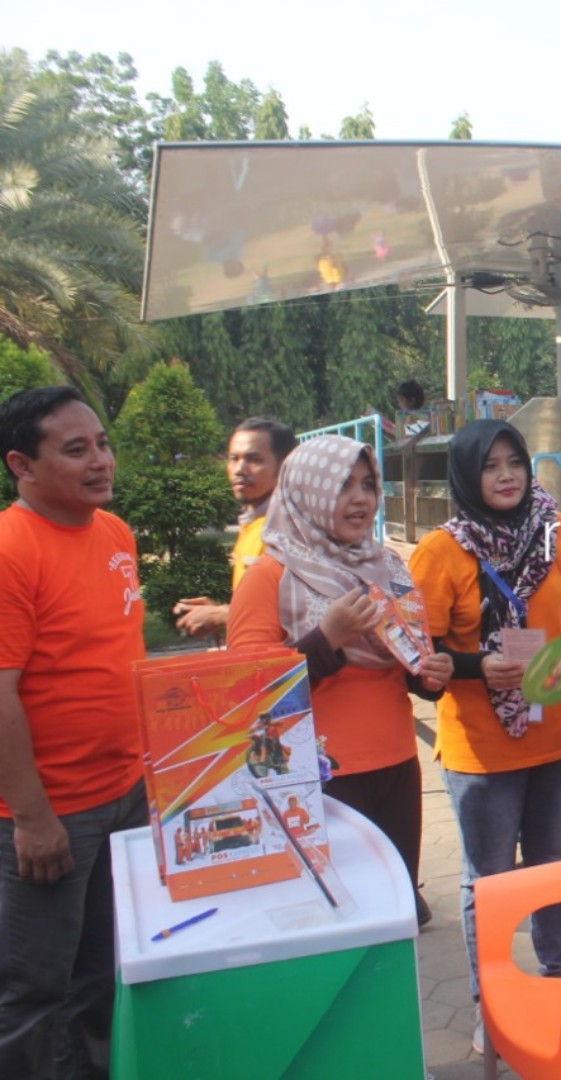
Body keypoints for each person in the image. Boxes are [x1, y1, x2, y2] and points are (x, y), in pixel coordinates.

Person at [407, 420, 561, 1056]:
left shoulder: (560, 533)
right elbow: (422, 655)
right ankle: (492, 1006)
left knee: (552, 871)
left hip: (559, 739)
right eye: (490, 466)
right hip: (482, 750)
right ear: (468, 475)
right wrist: (476, 665)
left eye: (515, 461)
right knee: (487, 883)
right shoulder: (440, 552)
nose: (507, 475)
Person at [227, 435, 453, 928]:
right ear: (307, 491)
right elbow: (247, 696)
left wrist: (431, 678)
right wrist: (327, 638)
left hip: (395, 767)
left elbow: (409, 661)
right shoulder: (269, 578)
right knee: (336, 925)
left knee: (393, 921)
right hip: (316, 780)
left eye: (369, 485)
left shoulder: (388, 568)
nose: (361, 499)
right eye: (342, 485)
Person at [0, 387, 149, 1079]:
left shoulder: (114, 533)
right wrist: (32, 818)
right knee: (33, 994)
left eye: (103, 443)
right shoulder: (10, 549)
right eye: (75, 449)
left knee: (102, 974)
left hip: (125, 797)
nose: (100, 461)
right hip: (51, 816)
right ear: (21, 466)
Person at [173, 417, 297, 638]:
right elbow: (262, 603)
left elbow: (298, 614)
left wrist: (222, 614)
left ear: (284, 466)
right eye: (233, 459)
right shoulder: (253, 524)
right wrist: (220, 610)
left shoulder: (288, 530)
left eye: (254, 459)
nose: (239, 469)